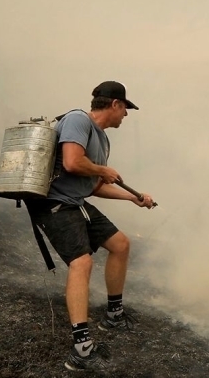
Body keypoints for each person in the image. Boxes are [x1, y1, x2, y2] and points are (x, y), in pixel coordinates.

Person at [23, 80, 156, 372]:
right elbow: (72, 163)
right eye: (126, 109)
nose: (126, 116)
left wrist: (133, 197)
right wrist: (101, 169)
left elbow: (94, 186)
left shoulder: (102, 140)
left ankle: (114, 315)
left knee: (120, 244)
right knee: (81, 263)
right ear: (115, 104)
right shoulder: (77, 120)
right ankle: (81, 349)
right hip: (55, 203)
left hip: (77, 201)